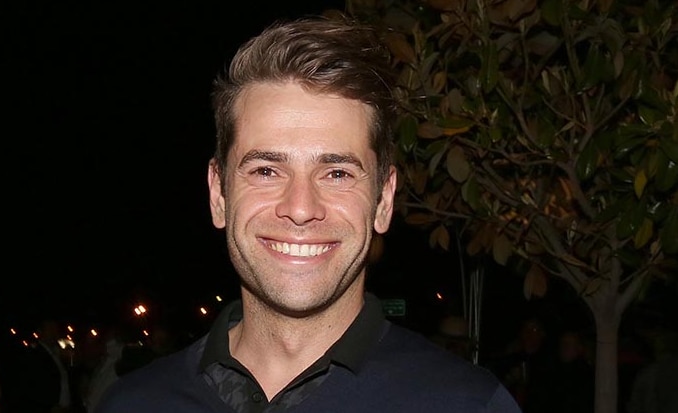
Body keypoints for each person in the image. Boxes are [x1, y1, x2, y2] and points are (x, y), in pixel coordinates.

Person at [94, 15, 521, 413]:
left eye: (336, 172)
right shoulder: (134, 402)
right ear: (218, 193)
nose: (300, 208)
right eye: (266, 170)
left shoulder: (467, 404)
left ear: (384, 200)